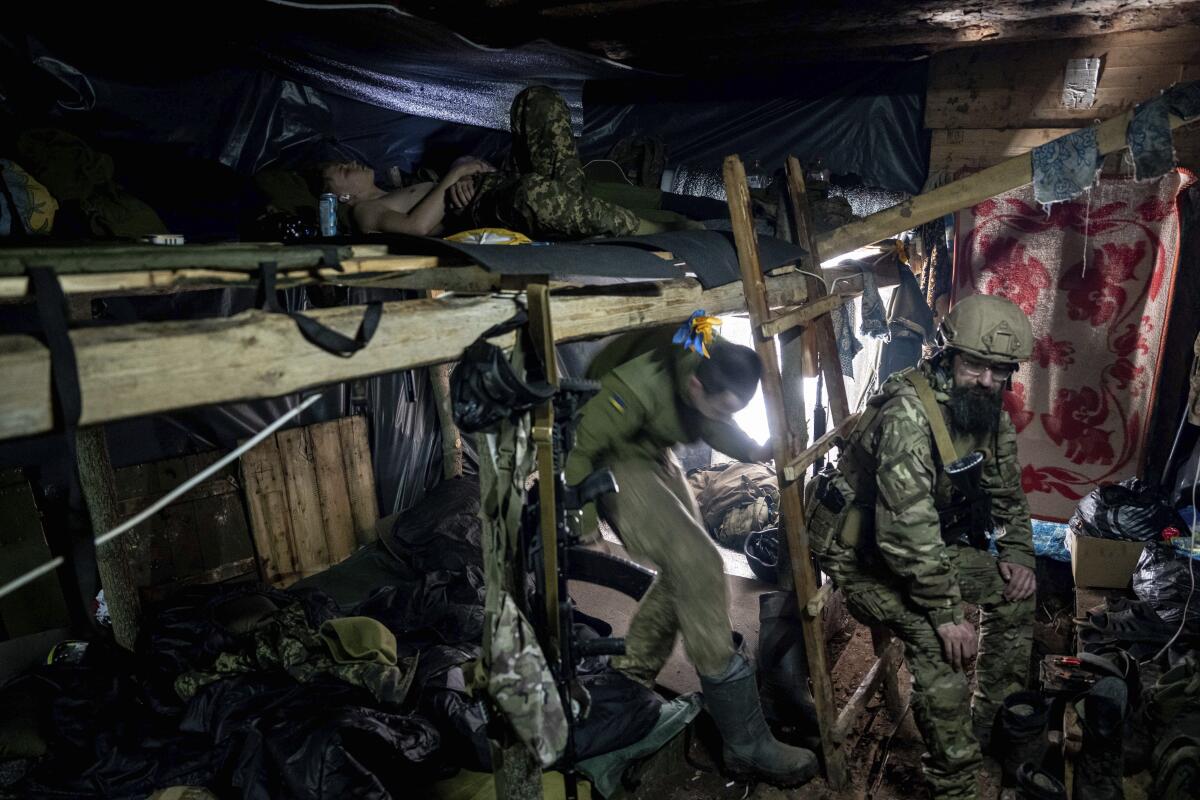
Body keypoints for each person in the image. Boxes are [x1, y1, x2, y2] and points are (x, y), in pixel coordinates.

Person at [563, 320, 818, 787]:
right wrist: (583, 525)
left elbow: (713, 420)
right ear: (695, 383)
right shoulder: (634, 386)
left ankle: (631, 673)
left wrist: (757, 449)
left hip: (654, 447)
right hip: (612, 457)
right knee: (698, 564)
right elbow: (580, 448)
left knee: (694, 568)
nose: (724, 416)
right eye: (719, 407)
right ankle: (745, 744)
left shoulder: (706, 361)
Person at [808, 293, 1037, 800]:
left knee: (1017, 593)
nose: (986, 380)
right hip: (864, 554)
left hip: (924, 546)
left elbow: (1005, 491)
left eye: (998, 370)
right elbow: (903, 536)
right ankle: (954, 782)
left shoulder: (987, 412)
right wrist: (946, 612)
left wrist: (1018, 554)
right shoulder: (910, 418)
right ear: (946, 355)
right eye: (975, 364)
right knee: (941, 649)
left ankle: (985, 727)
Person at [320, 86, 667, 239]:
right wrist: (457, 174)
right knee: (536, 194)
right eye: (339, 171)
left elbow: (431, 199)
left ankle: (571, 208)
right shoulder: (363, 211)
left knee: (535, 101)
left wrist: (464, 168)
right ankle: (645, 229)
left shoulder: (395, 188)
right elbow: (417, 228)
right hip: (487, 206)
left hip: (498, 183)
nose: (347, 163)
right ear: (342, 197)